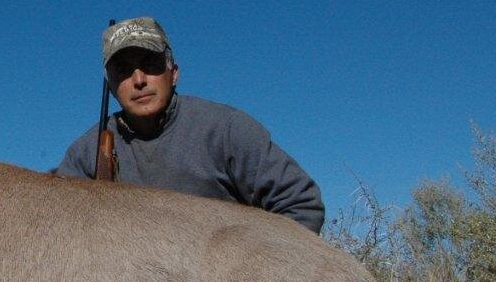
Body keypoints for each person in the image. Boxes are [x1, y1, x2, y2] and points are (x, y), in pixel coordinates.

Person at [56, 17, 325, 233]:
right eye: (123, 71)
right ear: (112, 87)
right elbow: (58, 228)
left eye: (150, 64)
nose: (138, 80)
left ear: (173, 74)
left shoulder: (226, 129)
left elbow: (301, 205)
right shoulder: (85, 152)